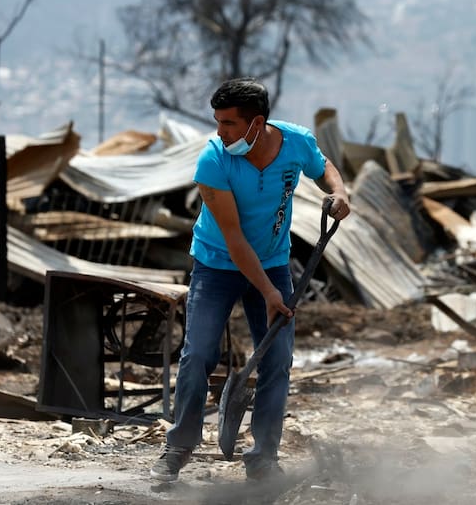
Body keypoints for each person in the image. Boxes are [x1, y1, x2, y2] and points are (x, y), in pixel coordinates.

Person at [150, 77, 350, 482]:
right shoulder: (213, 161)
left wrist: (339, 192)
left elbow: (323, 166)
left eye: (229, 124)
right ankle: (178, 448)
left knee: (276, 359)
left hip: (274, 261)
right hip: (217, 262)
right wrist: (270, 293)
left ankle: (262, 460)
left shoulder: (295, 143)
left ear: (257, 123)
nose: (220, 132)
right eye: (217, 122)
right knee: (198, 353)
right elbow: (235, 240)